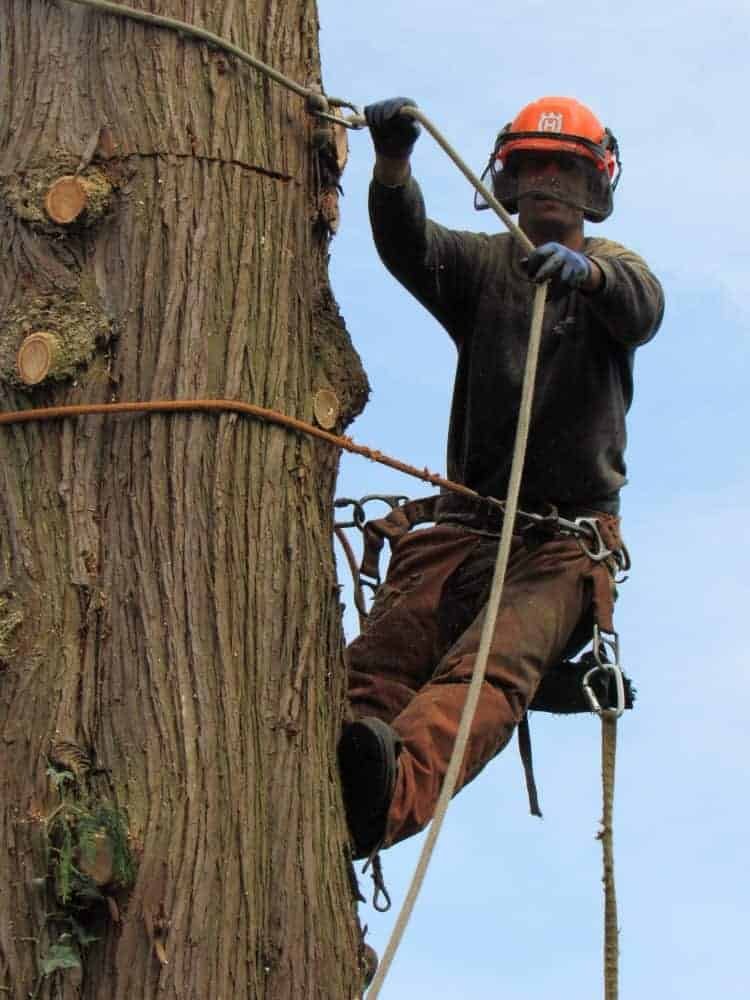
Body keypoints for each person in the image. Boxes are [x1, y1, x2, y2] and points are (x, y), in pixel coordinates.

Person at [338, 95, 664, 861]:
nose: (548, 179)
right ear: (507, 178)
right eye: (533, 165)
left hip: (559, 544)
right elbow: (410, 245)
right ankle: (341, 763)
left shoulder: (617, 273)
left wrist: (587, 276)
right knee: (383, 658)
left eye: (564, 167)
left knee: (488, 669)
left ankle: (384, 796)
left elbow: (642, 307)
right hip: (466, 526)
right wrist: (392, 167)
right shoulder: (484, 266)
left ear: (595, 186)